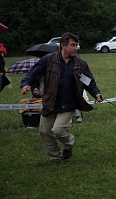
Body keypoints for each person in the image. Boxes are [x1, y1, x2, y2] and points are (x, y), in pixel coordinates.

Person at [20, 32, 104, 163]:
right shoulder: (48, 60)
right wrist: (26, 84)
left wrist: (96, 93)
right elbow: (33, 73)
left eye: (77, 45)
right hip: (50, 101)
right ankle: (55, 158)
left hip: (68, 103)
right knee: (45, 131)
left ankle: (69, 141)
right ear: (63, 46)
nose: (76, 48)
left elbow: (89, 82)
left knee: (58, 130)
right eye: (73, 45)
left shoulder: (80, 64)